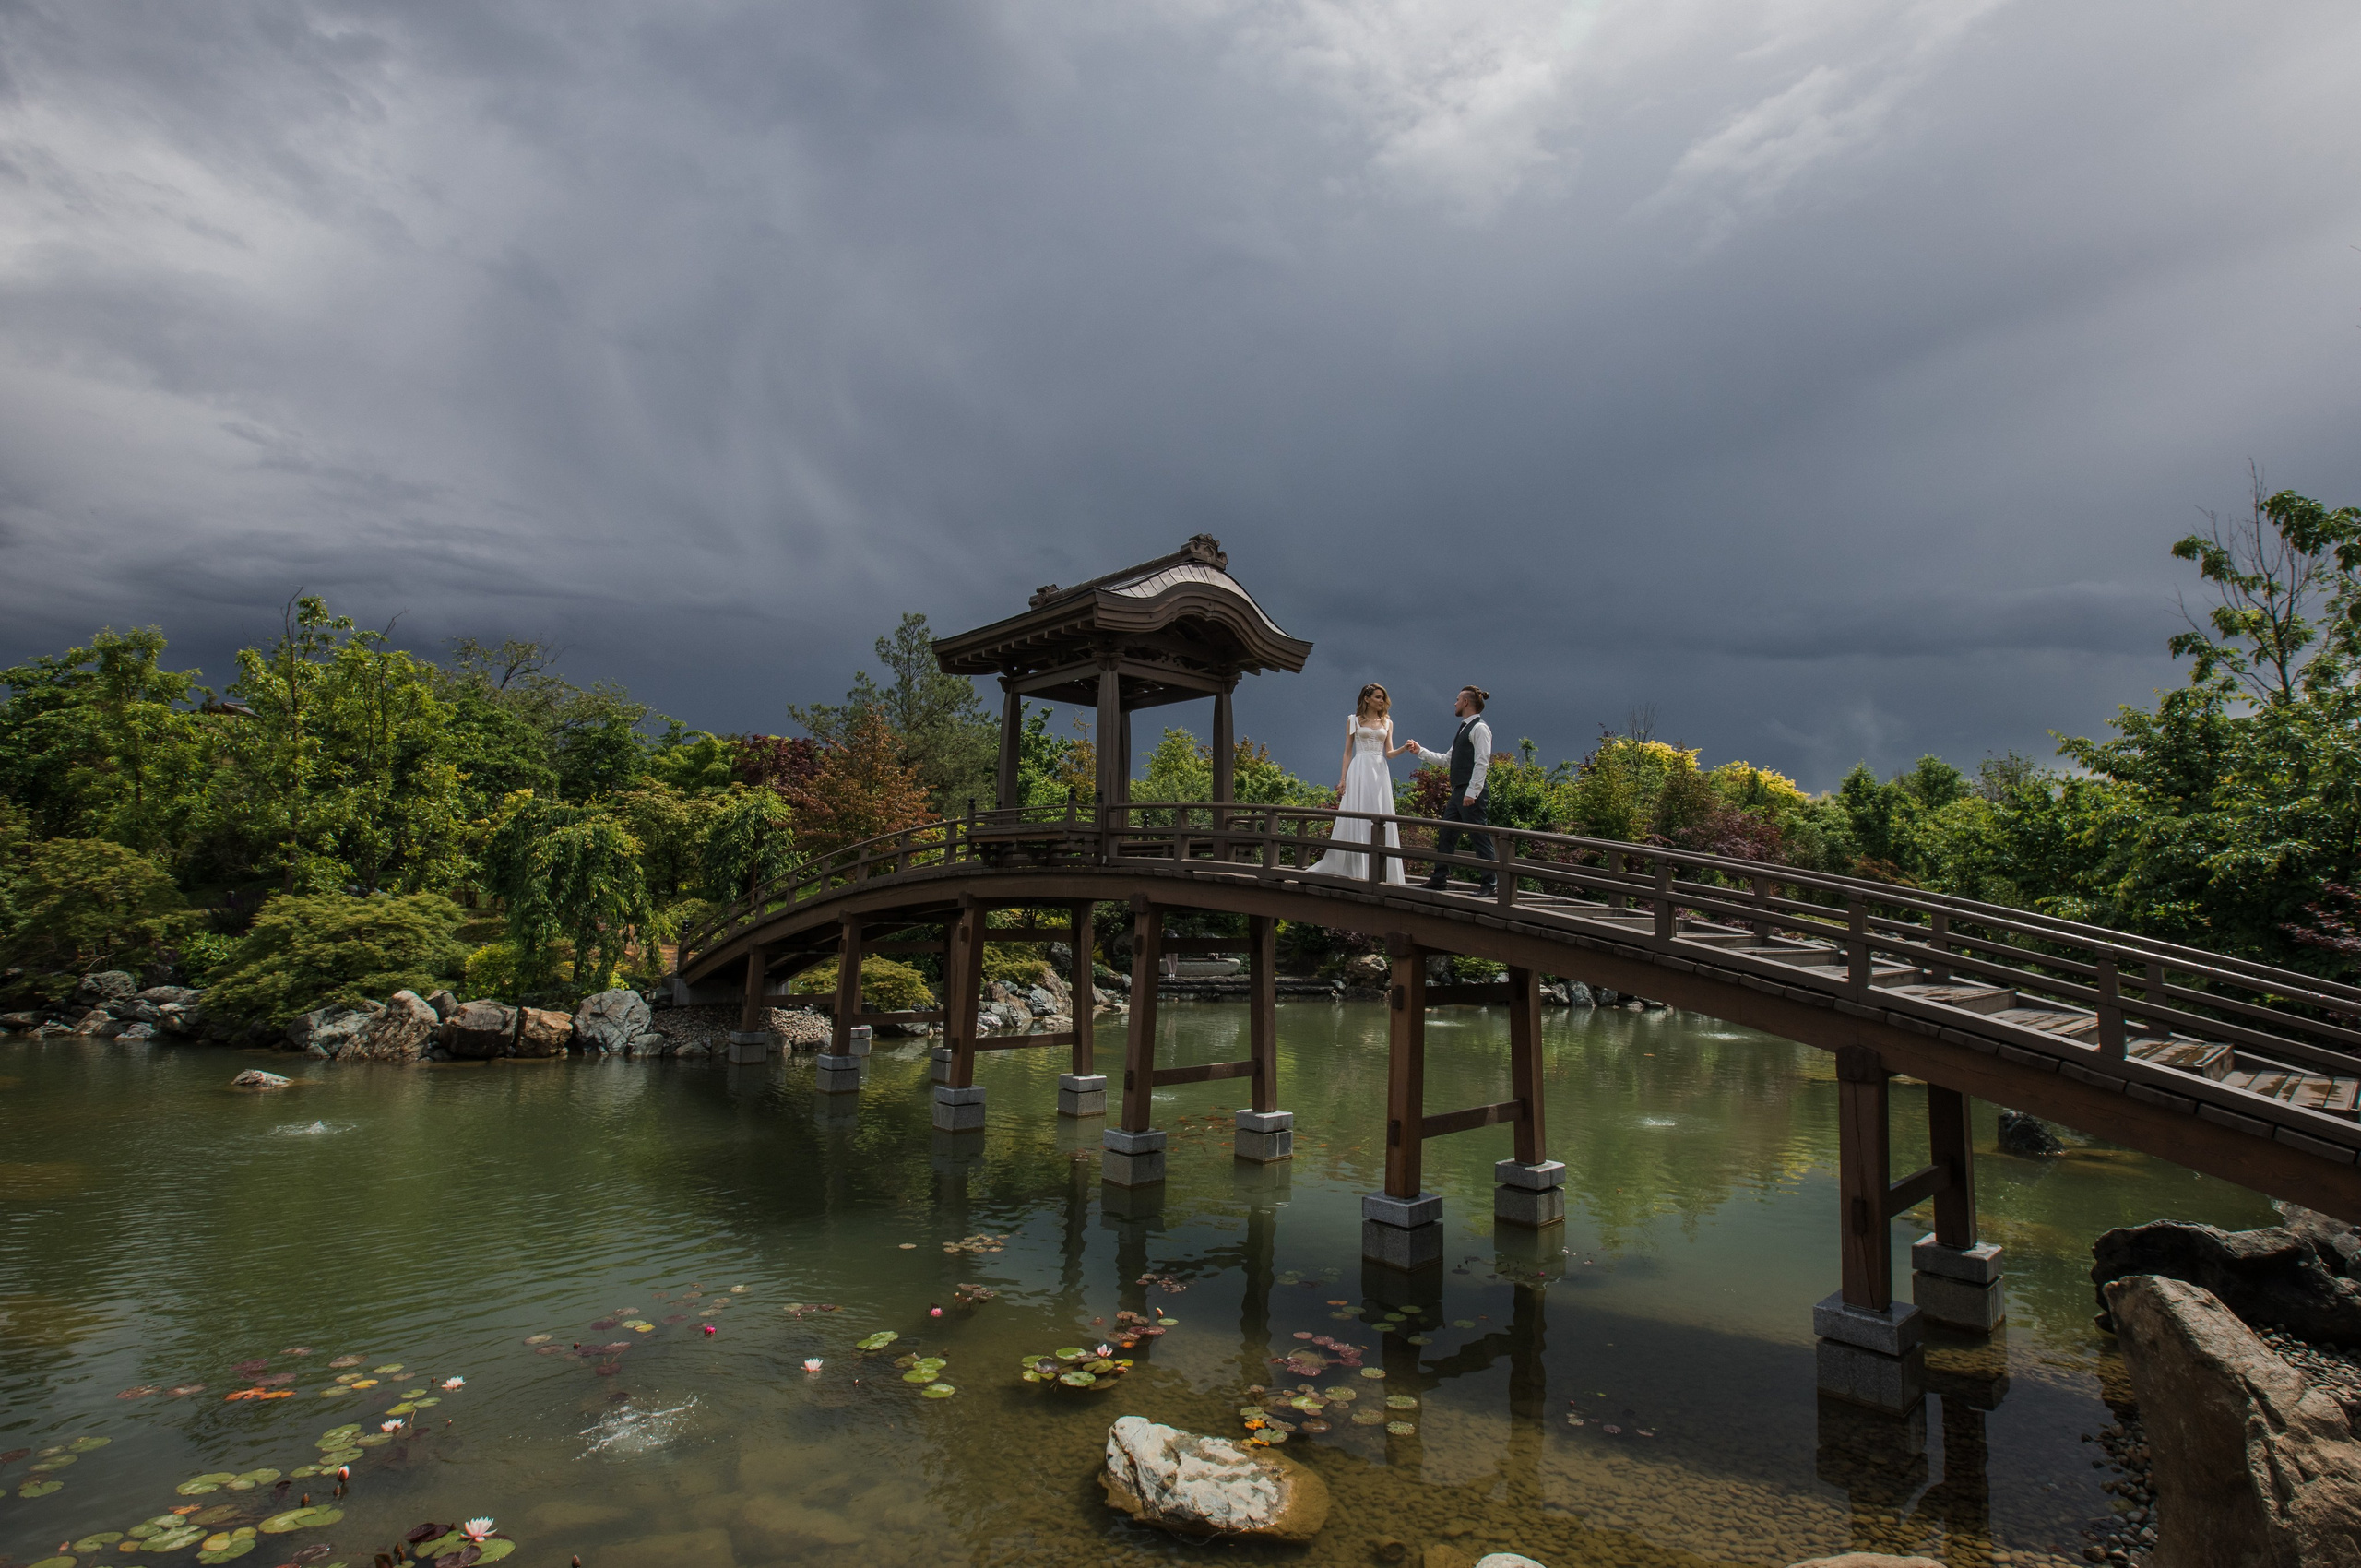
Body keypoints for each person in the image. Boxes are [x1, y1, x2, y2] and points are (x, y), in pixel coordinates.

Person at [1311, 683, 1418, 885]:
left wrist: (1404, 748)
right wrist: (1342, 779)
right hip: (1360, 767)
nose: (1381, 701)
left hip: (1379, 770)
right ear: (1367, 699)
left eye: (1383, 698)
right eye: (1377, 697)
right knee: (1358, 811)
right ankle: (1356, 867)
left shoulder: (1387, 722)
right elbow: (1347, 752)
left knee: (1378, 812)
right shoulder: (1353, 720)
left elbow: (1389, 753)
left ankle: (1381, 871)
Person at [1406, 686, 1495, 896]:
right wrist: (1421, 752)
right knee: (1446, 834)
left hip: (1471, 791)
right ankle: (1439, 878)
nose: (1454, 703)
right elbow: (1448, 760)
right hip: (1458, 791)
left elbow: (1482, 762)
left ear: (1466, 702)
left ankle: (1490, 885)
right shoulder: (1464, 729)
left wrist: (1472, 793)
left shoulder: (1480, 728)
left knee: (1479, 836)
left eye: (1457, 700)